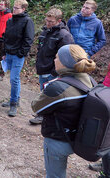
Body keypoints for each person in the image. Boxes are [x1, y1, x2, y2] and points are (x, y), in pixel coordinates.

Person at [31, 44, 96, 178]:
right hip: (81, 138)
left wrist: (49, 88)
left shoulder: (58, 88)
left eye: (56, 57)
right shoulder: (91, 81)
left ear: (64, 63)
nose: (54, 60)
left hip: (59, 141)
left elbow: (36, 106)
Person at [29, 8, 74, 125]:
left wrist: (55, 72)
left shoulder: (65, 36)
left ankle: (46, 118)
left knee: (52, 95)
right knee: (43, 93)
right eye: (47, 20)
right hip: (42, 68)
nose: (48, 23)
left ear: (59, 21)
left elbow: (65, 57)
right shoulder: (45, 31)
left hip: (53, 72)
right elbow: (40, 49)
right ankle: (42, 115)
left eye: (51, 22)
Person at [2, 0, 35, 117]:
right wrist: (4, 51)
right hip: (9, 53)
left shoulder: (27, 21)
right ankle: (15, 98)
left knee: (14, 79)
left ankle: (13, 104)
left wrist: (21, 53)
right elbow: (5, 36)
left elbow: (29, 39)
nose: (14, 10)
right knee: (13, 78)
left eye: (17, 8)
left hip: (17, 55)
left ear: (23, 9)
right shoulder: (10, 20)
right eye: (14, 7)